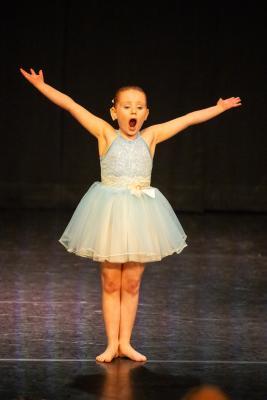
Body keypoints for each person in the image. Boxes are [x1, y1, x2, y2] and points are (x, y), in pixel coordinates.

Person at [20, 67, 242, 363]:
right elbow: (71, 104)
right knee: (111, 281)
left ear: (146, 113)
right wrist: (41, 86)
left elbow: (187, 120)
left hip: (140, 214)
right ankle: (112, 343)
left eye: (139, 107)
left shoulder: (150, 137)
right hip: (110, 213)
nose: (133, 111)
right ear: (115, 113)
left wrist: (217, 108)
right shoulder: (104, 133)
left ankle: (126, 342)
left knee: (133, 282)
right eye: (127, 107)